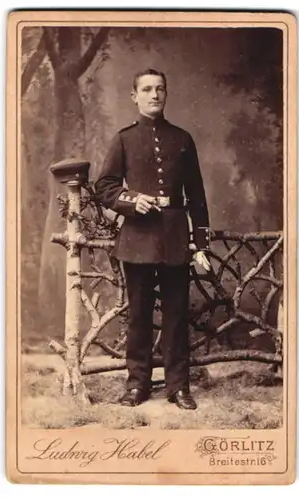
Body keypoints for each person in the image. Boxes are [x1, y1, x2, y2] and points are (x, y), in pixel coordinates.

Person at [95, 69, 211, 410]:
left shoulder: (182, 139)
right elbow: (105, 187)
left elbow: (197, 196)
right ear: (134, 96)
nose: (154, 94)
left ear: (166, 93)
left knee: (176, 316)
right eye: (146, 89)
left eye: (160, 88)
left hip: (175, 238)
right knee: (139, 316)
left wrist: (201, 245)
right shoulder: (123, 139)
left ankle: (178, 387)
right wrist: (131, 201)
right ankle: (137, 386)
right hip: (138, 237)